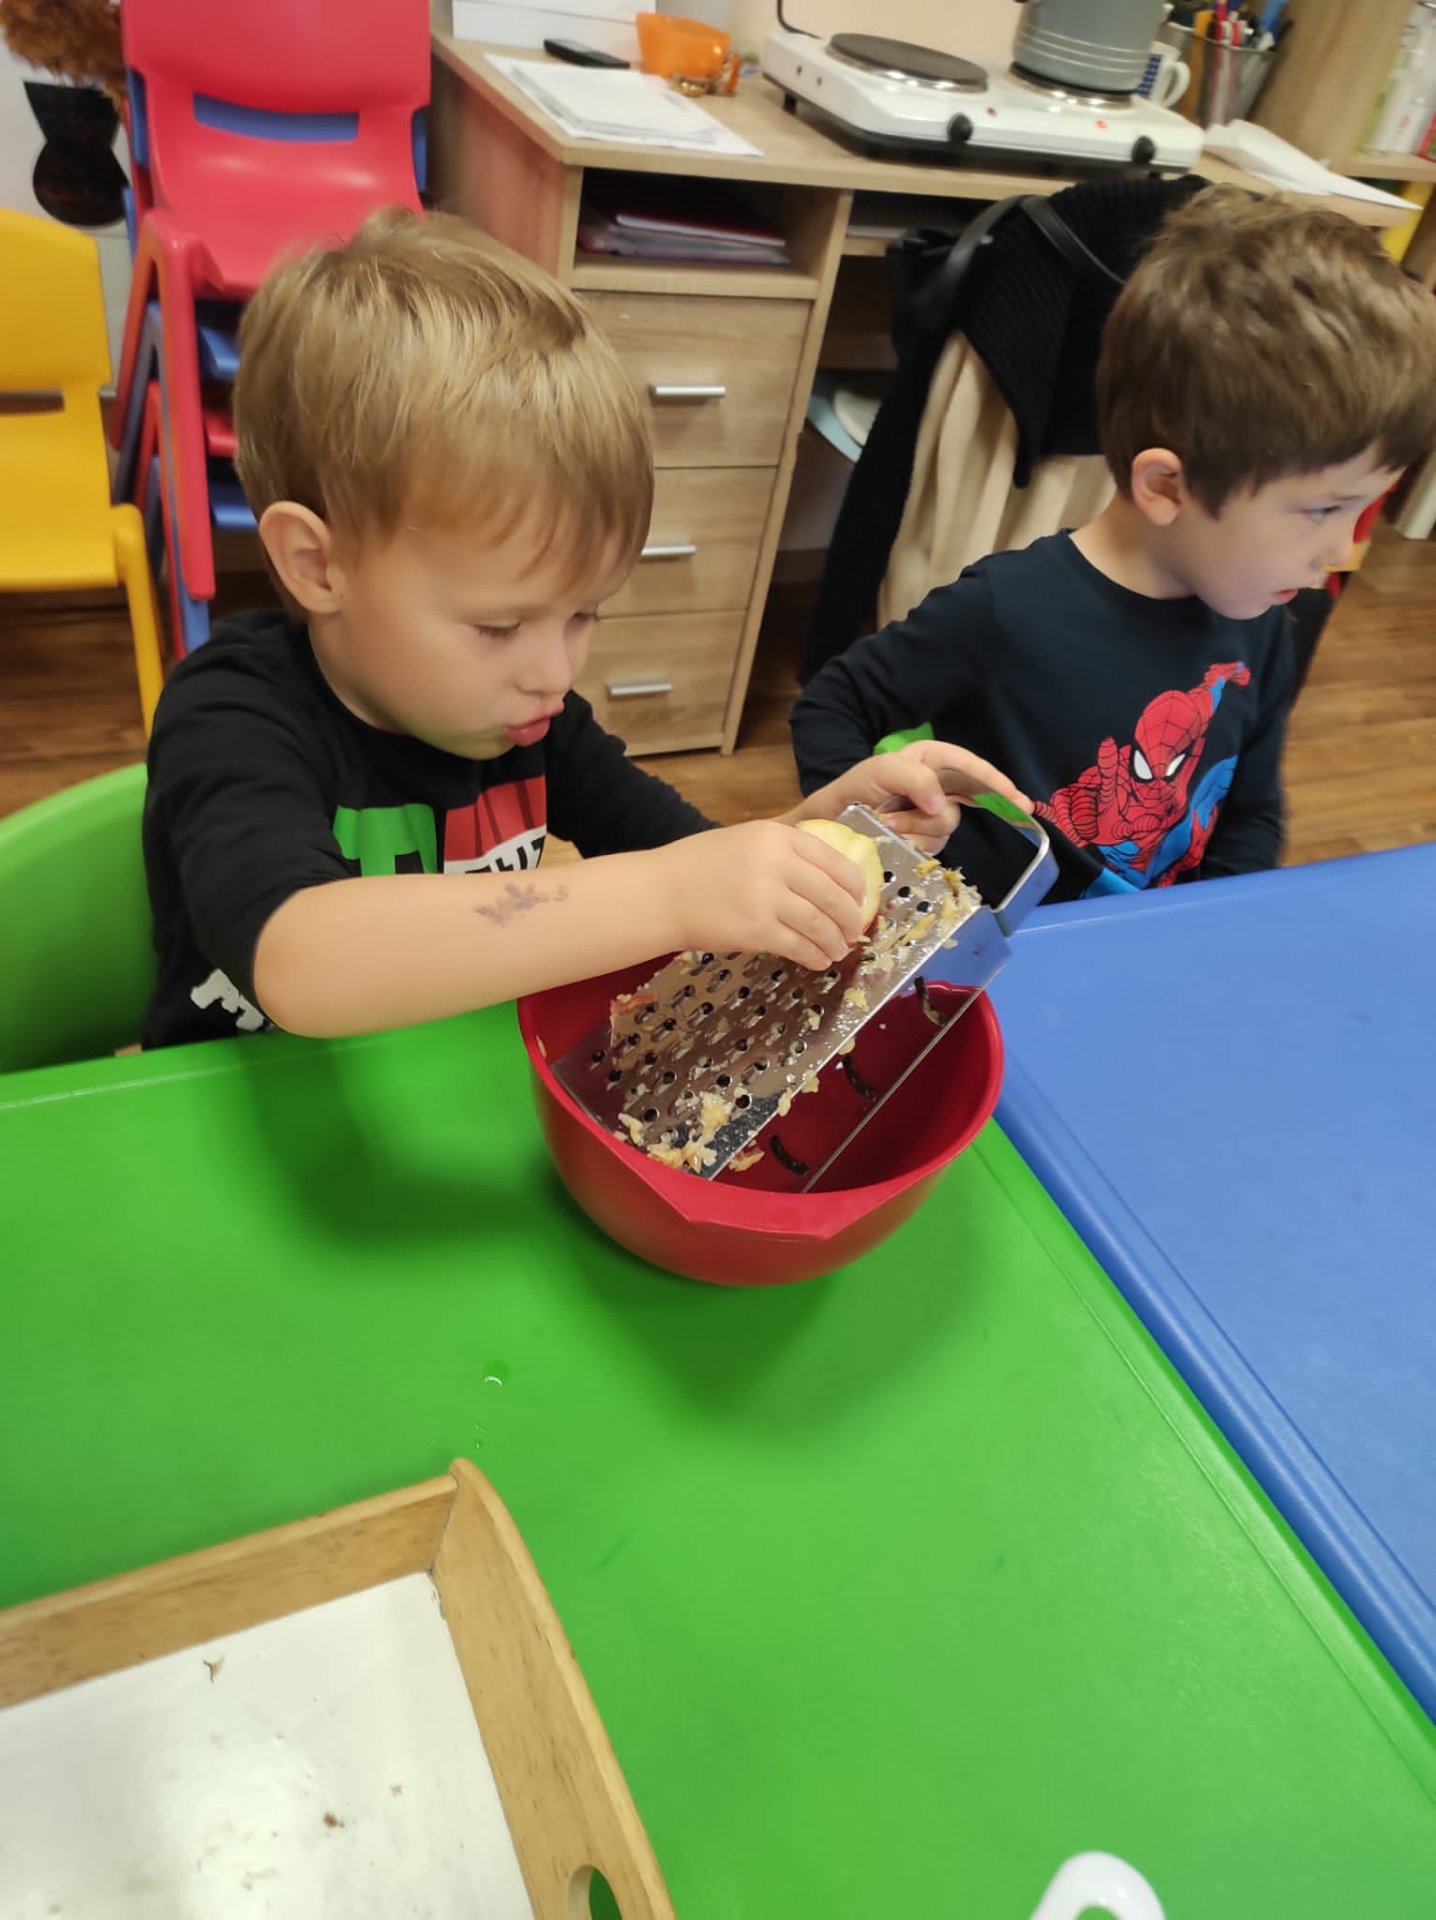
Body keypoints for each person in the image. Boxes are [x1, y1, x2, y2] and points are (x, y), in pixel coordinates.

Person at [142, 209, 1022, 1049]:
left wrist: (822, 835)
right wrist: (668, 893)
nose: (554, 674)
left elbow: (696, 869)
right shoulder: (231, 713)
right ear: (317, 564)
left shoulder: (536, 726)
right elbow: (303, 963)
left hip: (446, 1077)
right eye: (499, 625)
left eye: (584, 613)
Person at [790, 187, 1436, 903]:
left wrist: (1209, 921)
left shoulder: (1264, 624)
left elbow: (1250, 813)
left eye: (1363, 508)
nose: (1341, 550)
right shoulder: (1006, 609)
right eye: (1322, 509)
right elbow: (834, 705)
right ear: (1166, 486)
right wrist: (879, 838)